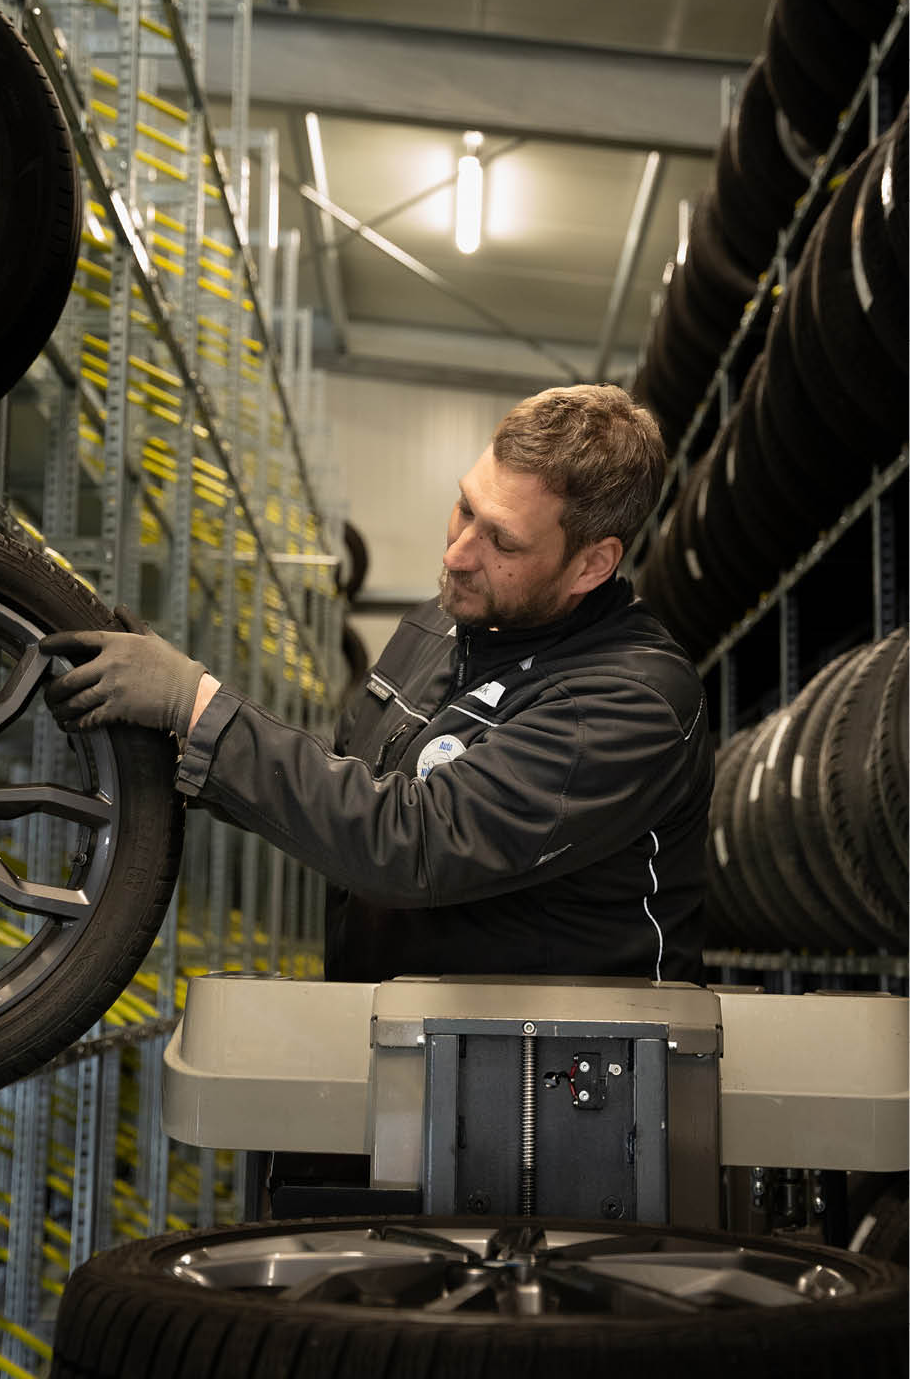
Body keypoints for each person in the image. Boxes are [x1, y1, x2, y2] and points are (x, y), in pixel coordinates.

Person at [40, 383, 714, 987]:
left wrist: (199, 705)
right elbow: (347, 791)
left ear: (591, 564)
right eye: (463, 508)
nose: (456, 553)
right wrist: (187, 742)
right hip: (411, 1048)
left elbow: (414, 844)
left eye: (502, 543)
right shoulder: (440, 626)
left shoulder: (631, 701)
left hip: (556, 1090)